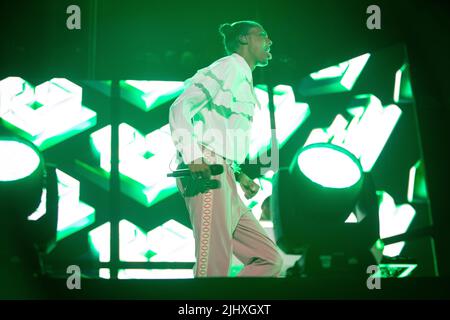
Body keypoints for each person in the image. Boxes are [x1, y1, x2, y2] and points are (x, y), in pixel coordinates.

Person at [169, 20, 283, 277]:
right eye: (263, 35)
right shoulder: (228, 66)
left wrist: (240, 175)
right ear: (243, 39)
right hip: (207, 171)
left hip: (225, 173)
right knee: (213, 264)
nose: (270, 41)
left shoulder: (242, 75)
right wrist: (193, 157)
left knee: (269, 259)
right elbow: (179, 108)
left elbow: (219, 132)